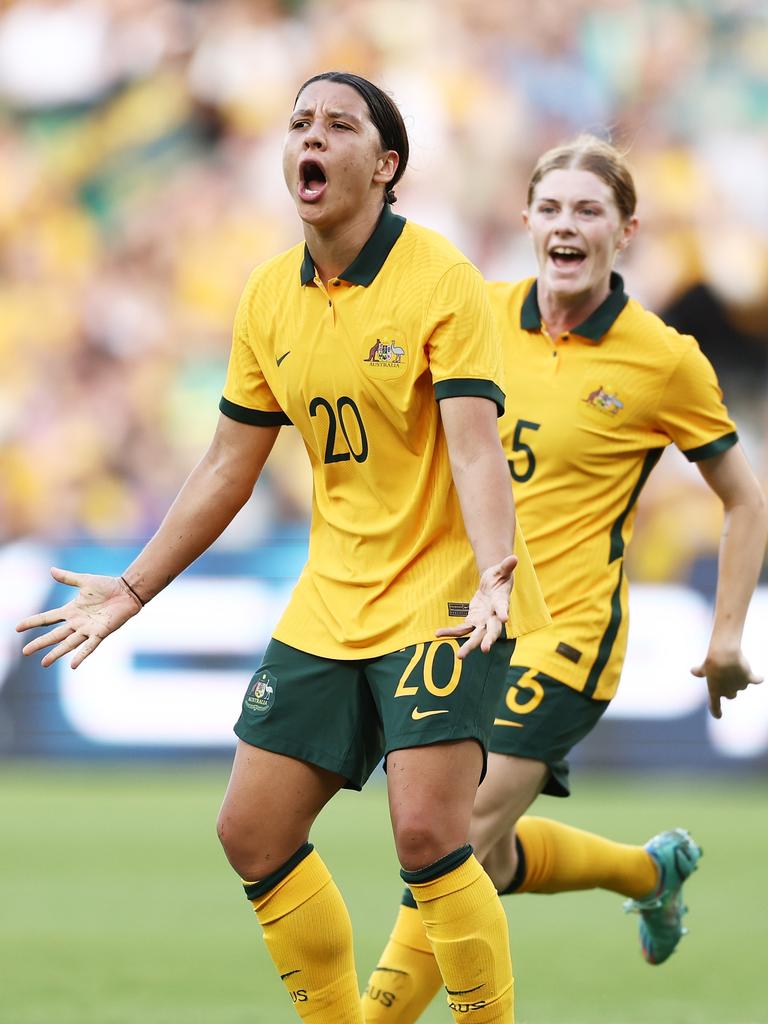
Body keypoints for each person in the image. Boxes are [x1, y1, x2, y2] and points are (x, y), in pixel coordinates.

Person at [17, 72, 551, 1024]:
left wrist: (498, 574)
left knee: (428, 832)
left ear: (385, 167)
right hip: (331, 597)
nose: (311, 136)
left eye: (338, 125)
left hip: (444, 591)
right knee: (251, 832)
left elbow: (475, 447)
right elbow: (229, 464)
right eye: (300, 122)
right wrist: (133, 588)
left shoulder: (442, 280)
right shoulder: (269, 296)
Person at [361, 135, 768, 1023]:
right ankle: (649, 871)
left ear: (626, 230)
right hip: (467, 627)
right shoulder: (474, 317)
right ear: (526, 222)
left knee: (452, 838)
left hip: (568, 634)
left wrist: (728, 634)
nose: (567, 225)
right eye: (551, 208)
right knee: (490, 855)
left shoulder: (663, 359)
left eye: (589, 210)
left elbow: (747, 500)